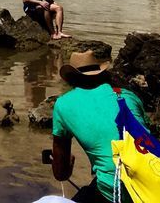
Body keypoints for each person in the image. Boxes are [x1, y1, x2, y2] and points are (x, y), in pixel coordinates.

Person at [50, 50, 147, 202]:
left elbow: (61, 174)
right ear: (102, 73)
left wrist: (68, 162)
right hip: (156, 181)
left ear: (71, 79)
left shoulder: (63, 104)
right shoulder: (128, 96)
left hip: (115, 190)